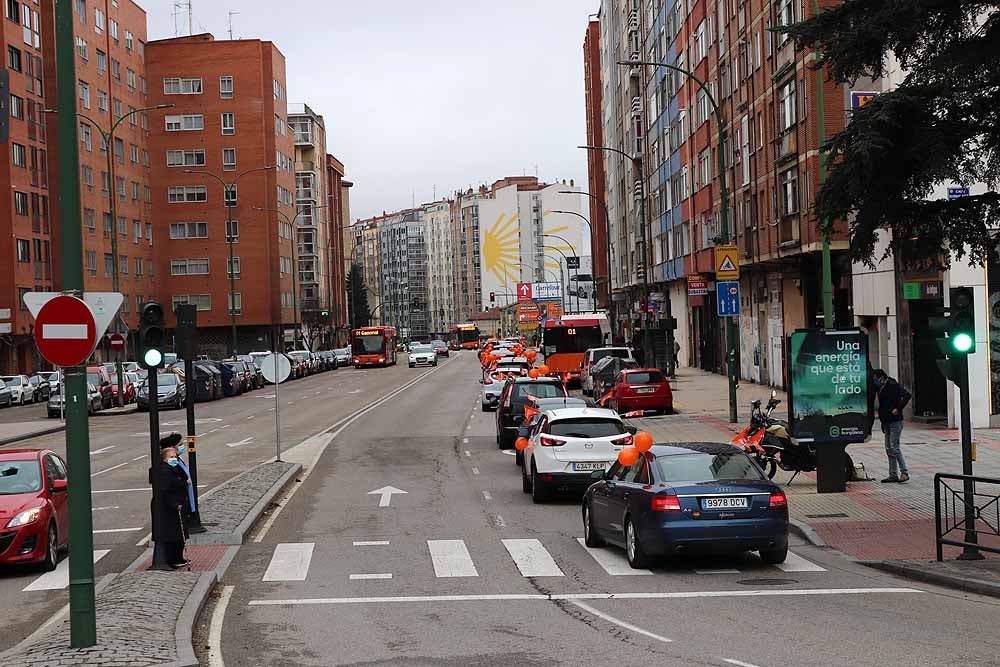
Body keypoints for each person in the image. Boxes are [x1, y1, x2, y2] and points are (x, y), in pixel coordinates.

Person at [152, 439, 190, 568]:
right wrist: (175, 504)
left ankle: (178, 557)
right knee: (172, 535)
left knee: (179, 534)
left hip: (179, 504)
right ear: (164, 459)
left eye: (175, 457)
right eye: (171, 457)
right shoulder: (165, 471)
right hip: (170, 508)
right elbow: (164, 491)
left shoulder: (174, 468)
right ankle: (172, 558)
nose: (174, 459)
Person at [873, 369, 911, 483]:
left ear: (882, 378)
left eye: (876, 379)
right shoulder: (880, 387)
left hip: (895, 420)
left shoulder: (892, 385)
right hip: (886, 421)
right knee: (889, 448)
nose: (875, 382)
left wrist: (898, 409)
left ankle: (904, 472)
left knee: (894, 447)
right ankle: (893, 474)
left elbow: (907, 395)